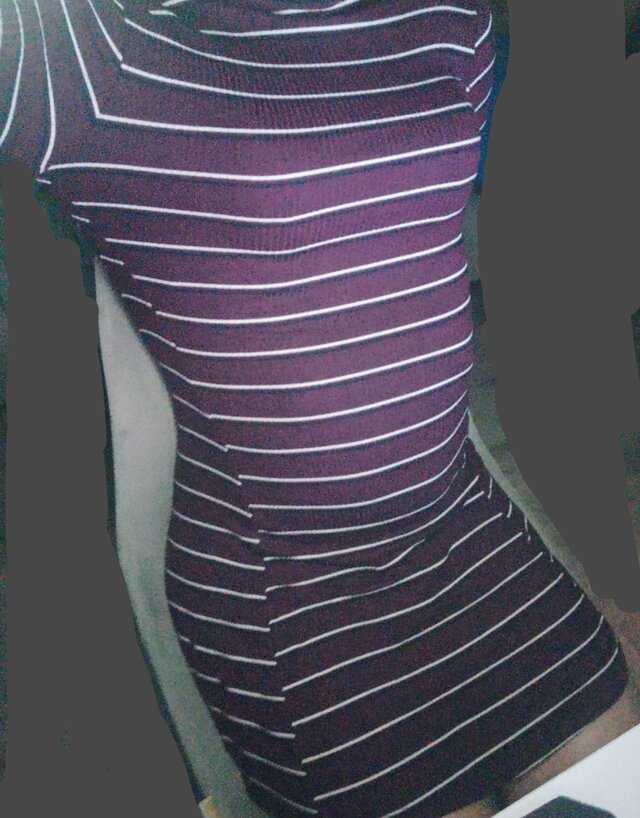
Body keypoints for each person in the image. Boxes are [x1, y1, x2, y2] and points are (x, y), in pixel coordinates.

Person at [1, 2, 638, 816]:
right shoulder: (82, 49)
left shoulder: (454, 16)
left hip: (467, 530)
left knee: (618, 787)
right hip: (297, 599)